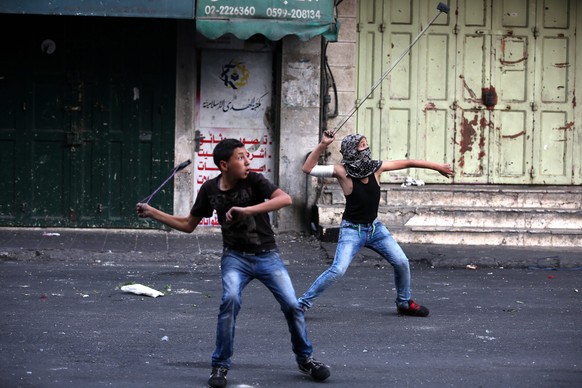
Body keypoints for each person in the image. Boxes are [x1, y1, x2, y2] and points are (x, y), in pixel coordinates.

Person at [136, 138, 331, 388]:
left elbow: (285, 200)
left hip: (267, 255)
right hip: (235, 258)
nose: (248, 160)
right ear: (224, 165)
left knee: (293, 306)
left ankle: (306, 360)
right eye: (241, 157)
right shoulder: (209, 190)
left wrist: (247, 210)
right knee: (230, 301)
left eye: (247, 155)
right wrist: (153, 213)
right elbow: (187, 225)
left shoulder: (255, 180)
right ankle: (220, 365)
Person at [298, 130, 454, 317]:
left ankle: (404, 303)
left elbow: (409, 162)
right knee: (338, 270)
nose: (366, 148)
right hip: (352, 230)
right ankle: (301, 304)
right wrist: (323, 144)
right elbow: (308, 169)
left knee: (402, 262)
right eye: (362, 145)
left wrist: (438, 167)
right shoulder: (341, 171)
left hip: (375, 229)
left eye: (366, 144)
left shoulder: (376, 168)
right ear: (351, 150)